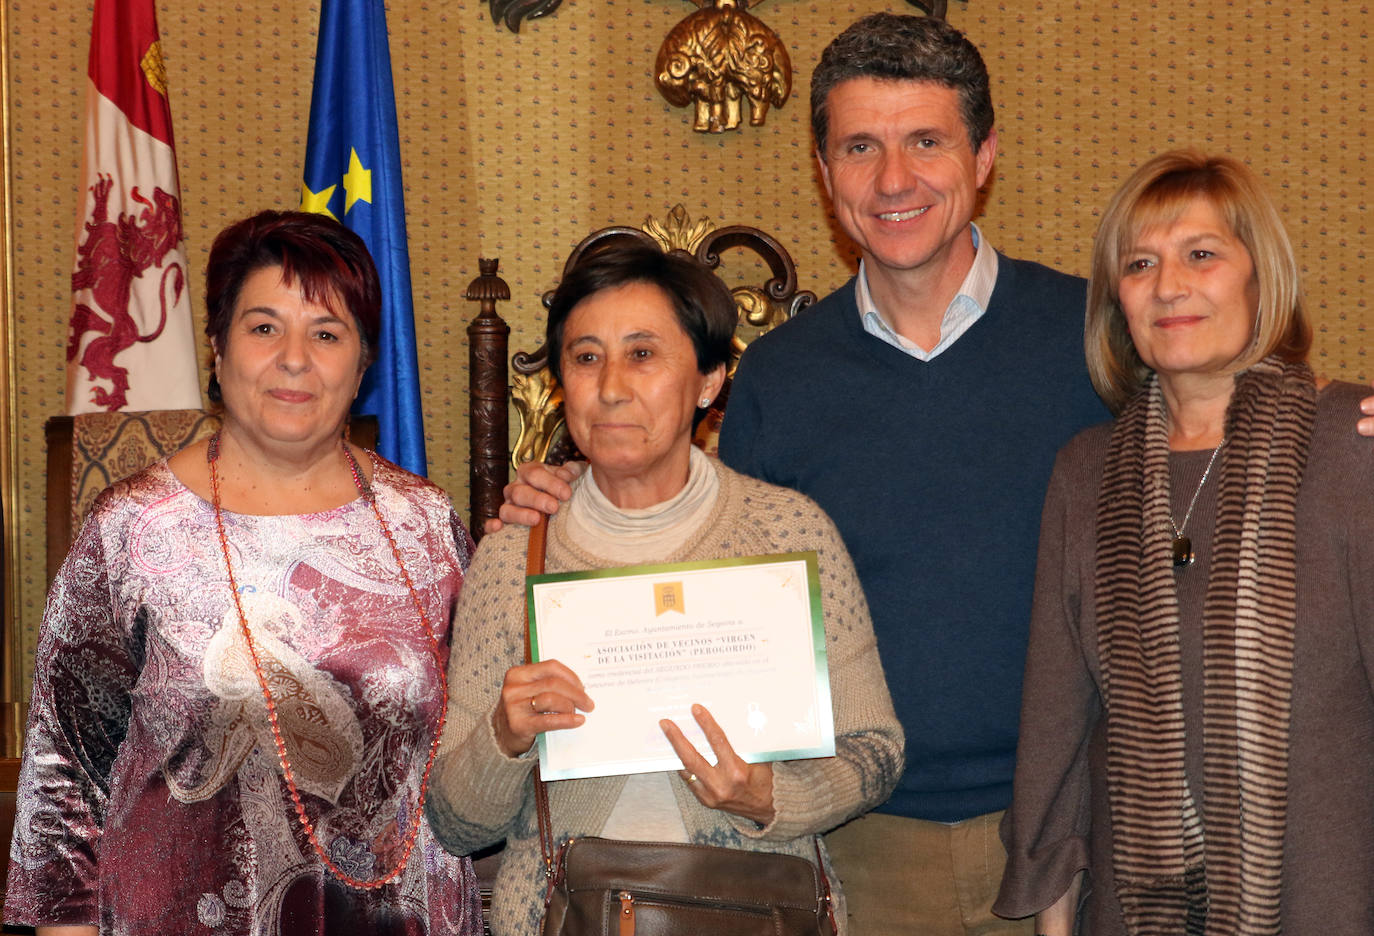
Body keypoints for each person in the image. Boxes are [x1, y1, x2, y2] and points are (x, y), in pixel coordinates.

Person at [494, 14, 1374, 935]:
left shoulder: (1095, 339)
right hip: (861, 841)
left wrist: (1340, 417)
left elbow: (1237, 429)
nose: (894, 180)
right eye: (860, 147)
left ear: (984, 154)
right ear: (826, 174)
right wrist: (576, 503)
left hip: (1082, 828)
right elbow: (715, 577)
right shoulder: (781, 379)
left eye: (926, 141)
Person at [5, 211, 482, 935]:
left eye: (327, 334)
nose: (295, 358)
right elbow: (63, 765)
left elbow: (480, 727)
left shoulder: (427, 526)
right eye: (264, 328)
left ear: (362, 365)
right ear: (218, 349)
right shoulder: (133, 527)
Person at [423, 242, 904, 936]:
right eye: (586, 357)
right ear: (562, 382)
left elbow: (876, 749)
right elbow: (456, 823)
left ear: (709, 379)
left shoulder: (788, 532)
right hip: (565, 915)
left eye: (643, 354)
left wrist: (772, 796)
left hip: (762, 913)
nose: (612, 385)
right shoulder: (511, 559)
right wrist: (504, 736)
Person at [994, 151, 1374, 933]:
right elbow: (1057, 730)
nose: (1169, 286)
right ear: (1117, 303)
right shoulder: (1085, 471)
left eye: (1202, 254)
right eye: (1140, 264)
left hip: (1329, 898)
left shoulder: (1356, 441)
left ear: (1258, 277)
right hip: (1134, 911)